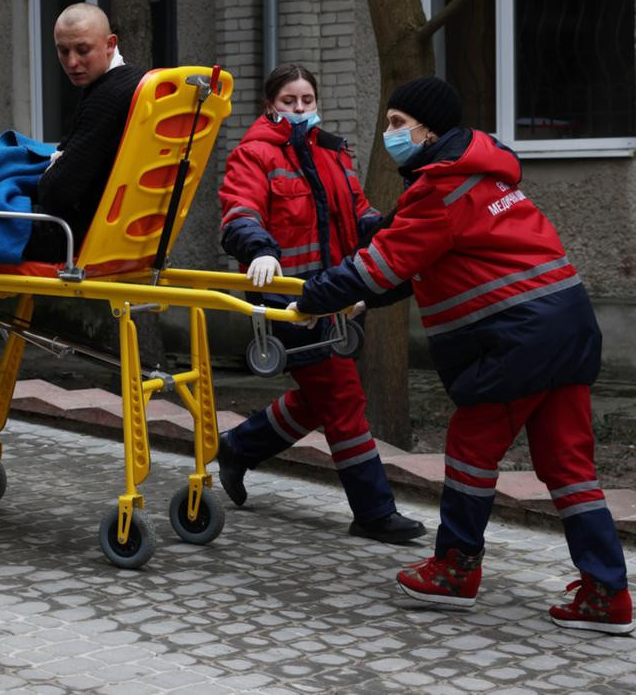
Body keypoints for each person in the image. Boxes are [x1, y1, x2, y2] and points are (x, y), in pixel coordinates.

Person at [293, 76, 632, 634]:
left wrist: (312, 297)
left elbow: (381, 264)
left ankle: (454, 571)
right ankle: (607, 593)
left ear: (428, 130)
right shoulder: (483, 177)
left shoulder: (440, 188)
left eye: (398, 124)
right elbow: (422, 263)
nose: (389, 134)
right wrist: (361, 300)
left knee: (472, 452)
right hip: (567, 328)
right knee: (568, 465)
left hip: (517, 341)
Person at [214, 64, 425, 543]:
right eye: (288, 101)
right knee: (343, 399)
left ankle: (239, 447)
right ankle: (374, 511)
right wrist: (259, 249)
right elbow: (240, 210)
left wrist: (397, 228)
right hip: (289, 301)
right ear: (270, 105)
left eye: (306, 100)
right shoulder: (254, 154)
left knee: (320, 400)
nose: (299, 108)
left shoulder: (333, 152)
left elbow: (359, 215)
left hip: (337, 296)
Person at [24, 3, 145, 260]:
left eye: (83, 50)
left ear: (110, 44)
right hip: (131, 232)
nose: (72, 62)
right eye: (63, 51)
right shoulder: (137, 81)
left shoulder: (107, 97)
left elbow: (56, 193)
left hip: (75, 236)